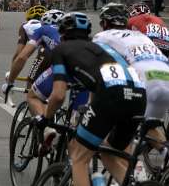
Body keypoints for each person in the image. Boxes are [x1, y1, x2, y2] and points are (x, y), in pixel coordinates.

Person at [40, 12, 146, 186]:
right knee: (108, 153)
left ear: (62, 34)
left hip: (111, 95)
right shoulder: (102, 47)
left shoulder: (61, 49)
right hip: (139, 95)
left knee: (79, 157)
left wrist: (45, 118)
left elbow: (58, 95)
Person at [94, 3, 169, 144]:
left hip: (147, 81)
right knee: (149, 127)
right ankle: (164, 151)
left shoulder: (103, 36)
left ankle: (135, 164)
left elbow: (101, 68)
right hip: (165, 75)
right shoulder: (143, 34)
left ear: (104, 23)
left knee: (124, 130)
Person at [3, 9, 63, 116]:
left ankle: (37, 116)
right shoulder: (66, 30)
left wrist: (10, 79)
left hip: (47, 54)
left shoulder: (26, 26)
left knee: (31, 86)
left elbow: (20, 55)